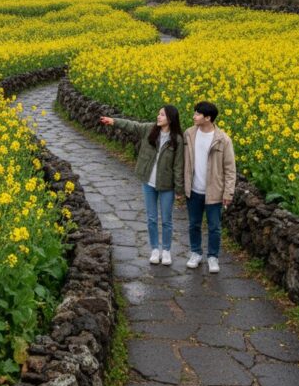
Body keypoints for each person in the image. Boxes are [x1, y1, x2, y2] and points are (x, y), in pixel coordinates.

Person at [100, 106, 184, 265]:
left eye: (162, 115)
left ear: (170, 118)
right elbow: (132, 125)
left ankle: (166, 251)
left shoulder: (177, 139)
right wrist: (114, 121)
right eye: (158, 114)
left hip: (167, 185)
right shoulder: (149, 130)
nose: (158, 117)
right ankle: (154, 249)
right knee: (151, 218)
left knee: (166, 220)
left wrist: (179, 189)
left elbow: (178, 166)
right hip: (148, 182)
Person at [183, 101, 236, 274]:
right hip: (194, 190)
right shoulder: (189, 134)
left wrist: (228, 192)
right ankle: (196, 253)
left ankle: (213, 257)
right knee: (194, 224)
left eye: (197, 114)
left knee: (214, 227)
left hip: (214, 192)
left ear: (208, 118)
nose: (194, 116)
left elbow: (230, 169)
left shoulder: (223, 139)